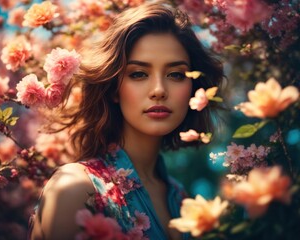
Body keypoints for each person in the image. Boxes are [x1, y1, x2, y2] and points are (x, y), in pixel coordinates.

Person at [29, 1, 223, 240]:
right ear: (113, 89)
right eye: (138, 74)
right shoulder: (76, 188)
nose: (159, 90)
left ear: (194, 87)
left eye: (176, 74)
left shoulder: (183, 200)